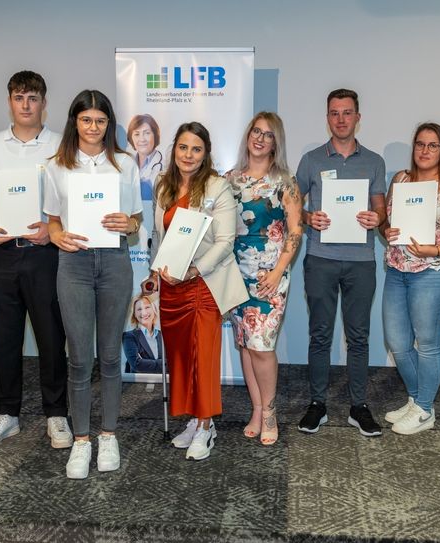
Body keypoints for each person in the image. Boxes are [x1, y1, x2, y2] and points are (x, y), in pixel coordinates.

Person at [0, 71, 72, 450]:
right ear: (9, 101)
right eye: (18, 97)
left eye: (33, 98)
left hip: (46, 254)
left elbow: (73, 200)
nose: (25, 105)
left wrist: (51, 228)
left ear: (44, 102)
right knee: (4, 337)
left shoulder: (63, 146)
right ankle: (6, 413)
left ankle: (56, 414)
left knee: (50, 336)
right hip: (4, 255)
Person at [44, 89, 143, 479]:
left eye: (100, 120)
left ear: (109, 124)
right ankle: (82, 439)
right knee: (80, 358)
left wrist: (130, 224)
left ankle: (109, 434)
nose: (93, 127)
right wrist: (56, 236)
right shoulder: (57, 165)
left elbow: (136, 218)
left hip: (116, 261)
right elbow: (52, 220)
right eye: (86, 119)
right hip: (74, 264)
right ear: (75, 122)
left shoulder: (125, 163)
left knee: (112, 355)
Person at [147, 122, 248, 461]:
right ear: (174, 150)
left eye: (196, 149)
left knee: (202, 357)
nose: (188, 155)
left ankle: (206, 426)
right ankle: (194, 419)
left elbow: (226, 241)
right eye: (183, 148)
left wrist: (194, 270)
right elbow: (157, 236)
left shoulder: (218, 187)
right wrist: (157, 273)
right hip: (171, 286)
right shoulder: (164, 186)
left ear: (205, 154)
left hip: (204, 284)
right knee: (181, 359)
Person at [295, 88, 387, 438]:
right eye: (335, 113)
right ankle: (317, 404)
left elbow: (380, 210)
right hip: (320, 258)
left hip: (361, 261)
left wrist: (375, 218)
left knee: (358, 336)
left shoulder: (374, 161)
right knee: (320, 334)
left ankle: (358, 406)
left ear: (358, 117)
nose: (341, 119)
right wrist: (307, 217)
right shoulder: (312, 160)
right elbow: (292, 203)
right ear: (327, 117)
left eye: (348, 112)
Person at [379, 123, 440, 435]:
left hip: (436, 271)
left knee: (429, 343)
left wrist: (434, 249)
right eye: (420, 144)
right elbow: (389, 224)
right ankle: (416, 399)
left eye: (432, 145)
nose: (425, 150)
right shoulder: (401, 179)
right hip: (398, 270)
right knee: (397, 341)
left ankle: (424, 409)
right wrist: (387, 231)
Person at [226, 112, 303, 446]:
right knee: (245, 343)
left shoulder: (285, 181)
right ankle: (256, 409)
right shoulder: (229, 179)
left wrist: (276, 272)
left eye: (268, 135)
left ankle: (270, 411)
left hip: (271, 276)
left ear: (276, 142)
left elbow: (295, 231)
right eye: (255, 131)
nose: (259, 138)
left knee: (262, 346)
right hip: (235, 274)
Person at [122, 294, 163, 373]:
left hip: (161, 383)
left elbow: (174, 362)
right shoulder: (129, 337)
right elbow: (137, 365)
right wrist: (163, 363)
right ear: (135, 314)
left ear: (154, 309)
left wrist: (145, 363)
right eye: (139, 309)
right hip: (139, 384)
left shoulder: (164, 336)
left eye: (147, 307)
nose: (144, 313)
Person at [127, 114, 164, 200]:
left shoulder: (165, 166)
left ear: (155, 135)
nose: (142, 139)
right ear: (131, 138)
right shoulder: (128, 164)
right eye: (136, 134)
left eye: (147, 133)